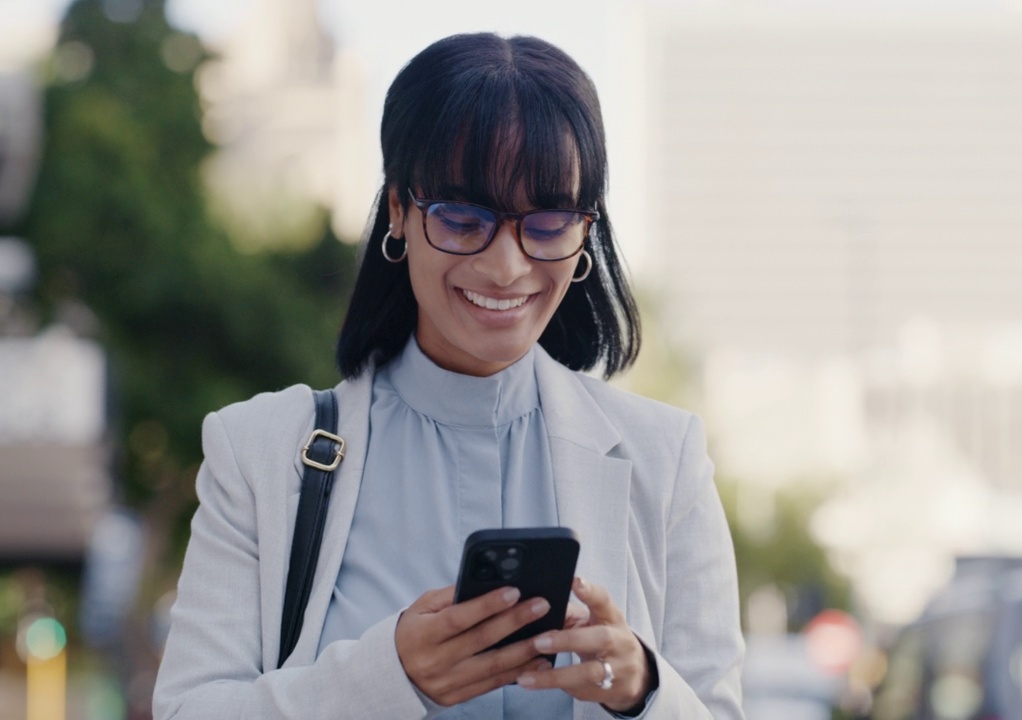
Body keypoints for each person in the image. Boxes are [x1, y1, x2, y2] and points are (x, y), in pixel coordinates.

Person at [152, 32, 744, 719]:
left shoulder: (664, 458)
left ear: (587, 231)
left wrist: (641, 686)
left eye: (548, 224)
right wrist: (390, 674)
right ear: (399, 211)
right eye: (464, 219)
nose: (506, 267)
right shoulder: (259, 453)